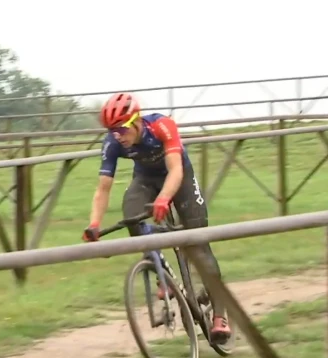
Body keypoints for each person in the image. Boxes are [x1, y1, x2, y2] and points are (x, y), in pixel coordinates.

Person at [81, 93, 232, 342]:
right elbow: (103, 188)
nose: (117, 135)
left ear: (136, 121)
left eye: (120, 129)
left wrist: (163, 198)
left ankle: (220, 315)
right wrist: (94, 223)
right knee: (131, 216)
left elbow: (176, 170)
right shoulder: (113, 142)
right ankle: (160, 267)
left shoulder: (161, 126)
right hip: (146, 180)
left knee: (198, 244)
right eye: (111, 131)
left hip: (179, 178)